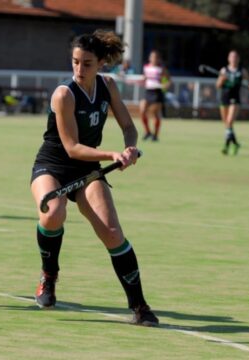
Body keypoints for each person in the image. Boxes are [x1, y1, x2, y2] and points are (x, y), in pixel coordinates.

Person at [30, 30, 159, 326]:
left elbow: (128, 125)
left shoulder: (108, 86)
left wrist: (129, 147)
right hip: (53, 165)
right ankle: (48, 277)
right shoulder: (64, 94)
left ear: (101, 63)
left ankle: (139, 305)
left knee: (112, 232)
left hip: (87, 169)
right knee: (53, 213)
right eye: (75, 62)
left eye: (87, 63)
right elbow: (72, 148)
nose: (79, 70)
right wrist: (112, 155)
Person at [216, 50, 249, 155]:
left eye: (235, 57)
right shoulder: (224, 70)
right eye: (231, 57)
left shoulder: (242, 71)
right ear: (228, 59)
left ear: (238, 59)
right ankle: (235, 143)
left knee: (229, 122)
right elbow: (218, 85)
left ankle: (226, 146)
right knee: (227, 125)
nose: (233, 59)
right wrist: (223, 79)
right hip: (224, 98)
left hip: (235, 98)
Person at [139, 50, 171, 142]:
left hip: (157, 92)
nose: (153, 59)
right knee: (142, 110)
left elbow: (168, 80)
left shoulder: (161, 68)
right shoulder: (146, 67)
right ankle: (148, 131)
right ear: (149, 58)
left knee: (154, 114)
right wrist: (141, 81)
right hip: (148, 91)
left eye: (155, 57)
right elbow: (145, 78)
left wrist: (165, 85)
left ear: (158, 59)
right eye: (152, 57)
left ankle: (155, 135)